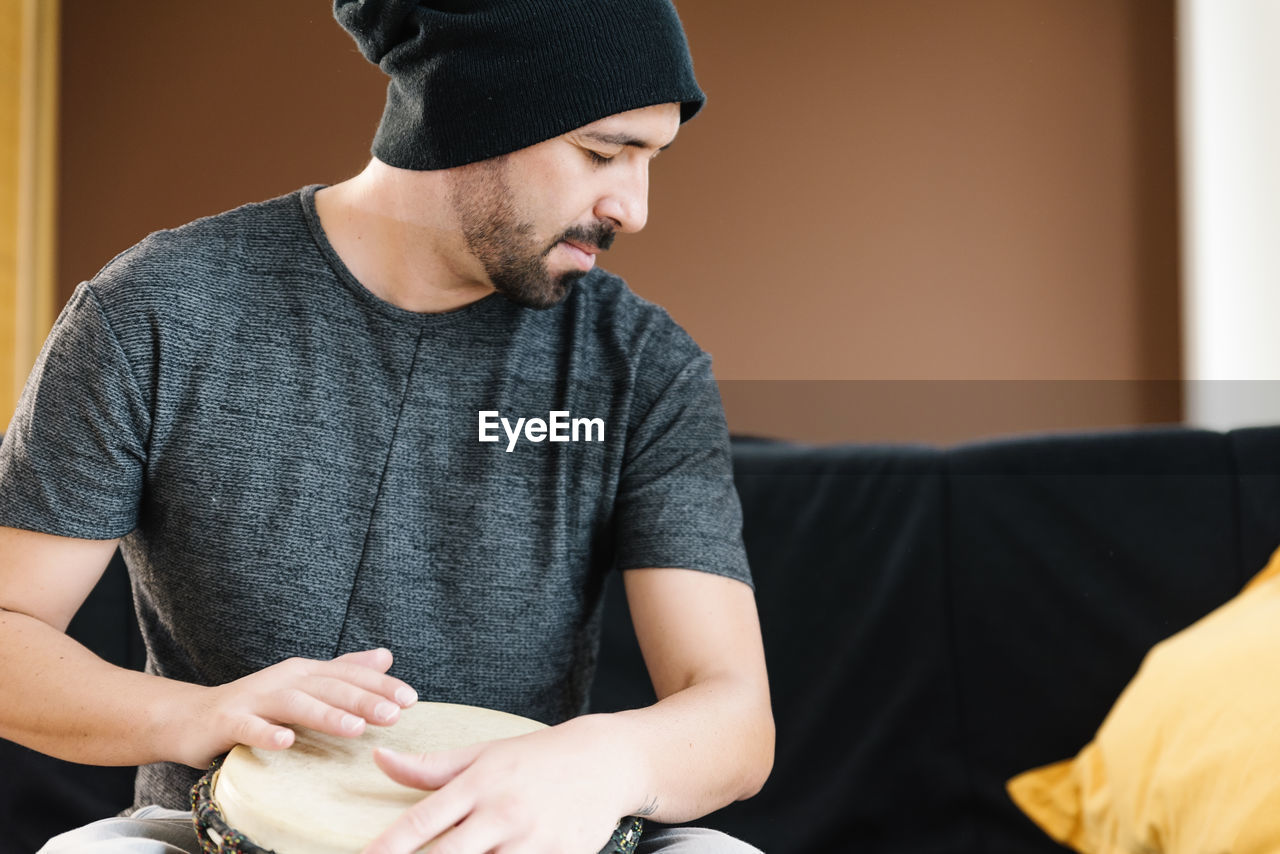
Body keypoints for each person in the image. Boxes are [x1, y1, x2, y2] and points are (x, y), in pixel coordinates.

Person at [0, 1, 774, 852]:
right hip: (205, 831)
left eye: (650, 159)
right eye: (601, 152)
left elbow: (735, 716)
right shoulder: (152, 313)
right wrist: (201, 714)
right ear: (470, 114)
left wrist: (603, 759)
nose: (633, 207)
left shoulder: (645, 368)